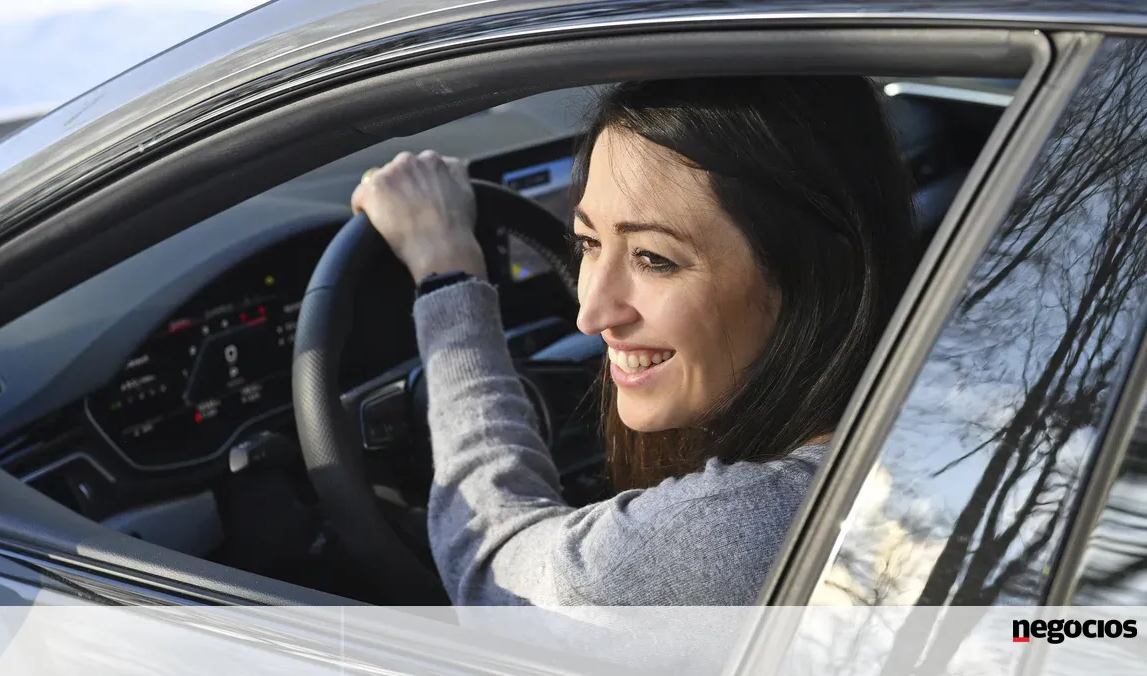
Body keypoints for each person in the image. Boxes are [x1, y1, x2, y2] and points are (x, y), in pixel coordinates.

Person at [351, 76, 917, 606]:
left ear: (818, 276)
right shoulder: (920, 426)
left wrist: (446, 270)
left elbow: (491, 565)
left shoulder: (731, 534)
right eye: (588, 242)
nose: (590, 316)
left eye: (653, 258)